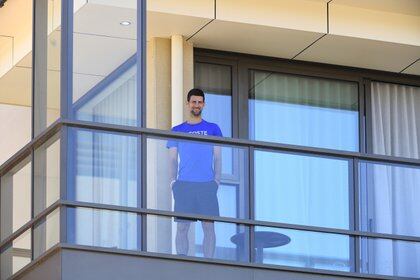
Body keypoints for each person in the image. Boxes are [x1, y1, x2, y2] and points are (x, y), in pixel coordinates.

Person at [167, 88, 222, 258]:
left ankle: (209, 266)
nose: (196, 105)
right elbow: (172, 159)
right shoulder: (177, 129)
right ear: (188, 104)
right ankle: (182, 264)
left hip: (207, 184)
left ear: (203, 104)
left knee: (208, 226)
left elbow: (218, 157)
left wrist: (217, 181)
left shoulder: (213, 128)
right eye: (193, 102)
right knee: (182, 226)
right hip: (184, 185)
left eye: (199, 102)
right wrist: (172, 181)